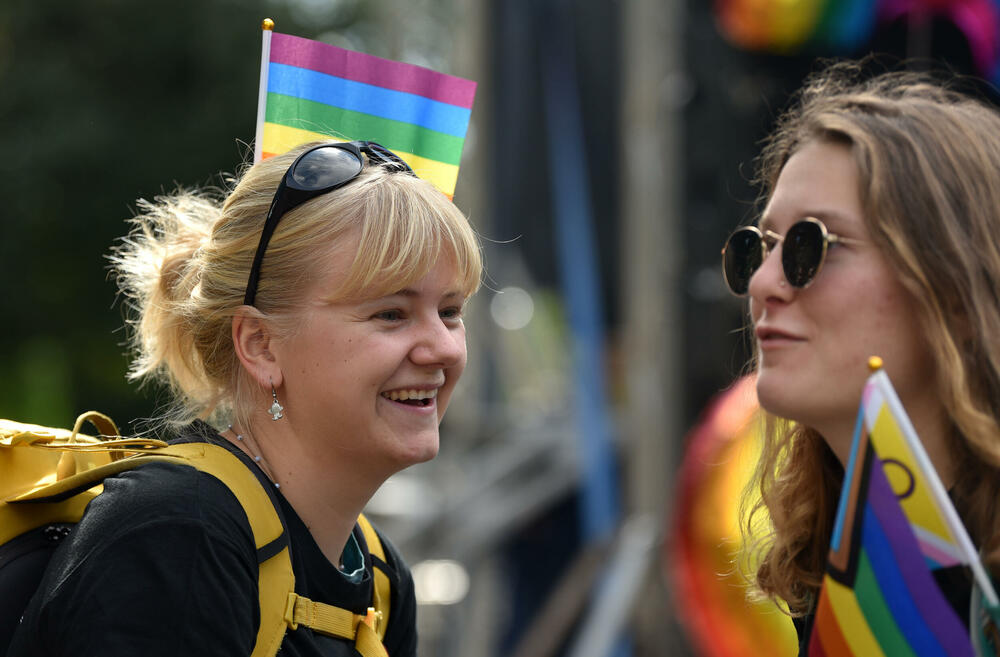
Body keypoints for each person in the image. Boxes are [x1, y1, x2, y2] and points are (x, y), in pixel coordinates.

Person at [9, 140, 482, 656]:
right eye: (391, 314)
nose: (441, 347)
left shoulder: (381, 578)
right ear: (260, 345)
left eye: (451, 311)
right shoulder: (180, 536)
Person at [720, 62, 1000, 652]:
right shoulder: (833, 568)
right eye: (759, 247)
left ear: (954, 292)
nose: (762, 283)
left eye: (810, 244)